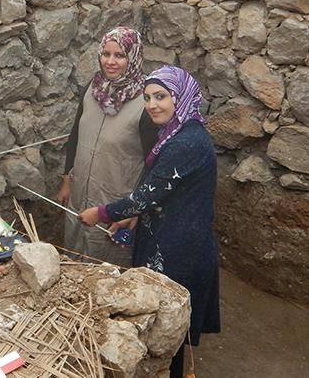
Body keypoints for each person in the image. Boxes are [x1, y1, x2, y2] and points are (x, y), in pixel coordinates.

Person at [79, 65, 220, 378]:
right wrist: (136, 216)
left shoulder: (186, 144)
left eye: (161, 96)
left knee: (170, 330)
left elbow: (146, 195)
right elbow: (164, 193)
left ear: (180, 98)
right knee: (169, 330)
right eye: (147, 97)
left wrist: (102, 213)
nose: (152, 104)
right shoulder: (179, 132)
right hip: (173, 236)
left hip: (179, 249)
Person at [56, 26, 157, 267]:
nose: (110, 62)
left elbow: (154, 162)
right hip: (80, 189)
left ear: (133, 58)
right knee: (73, 250)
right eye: (106, 54)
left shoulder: (146, 103)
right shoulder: (93, 88)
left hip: (115, 197)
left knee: (105, 263)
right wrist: (67, 180)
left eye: (120, 56)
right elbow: (76, 135)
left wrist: (135, 209)